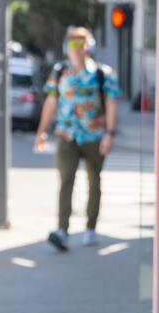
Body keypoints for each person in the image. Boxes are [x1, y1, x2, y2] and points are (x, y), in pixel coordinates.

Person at [34, 26, 120, 251]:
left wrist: (110, 134)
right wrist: (42, 131)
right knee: (66, 181)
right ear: (66, 47)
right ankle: (62, 229)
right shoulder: (60, 72)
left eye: (81, 44)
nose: (77, 49)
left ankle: (90, 227)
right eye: (72, 44)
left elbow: (111, 104)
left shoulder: (102, 74)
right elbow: (51, 102)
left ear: (89, 47)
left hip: (94, 136)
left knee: (94, 181)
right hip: (67, 135)